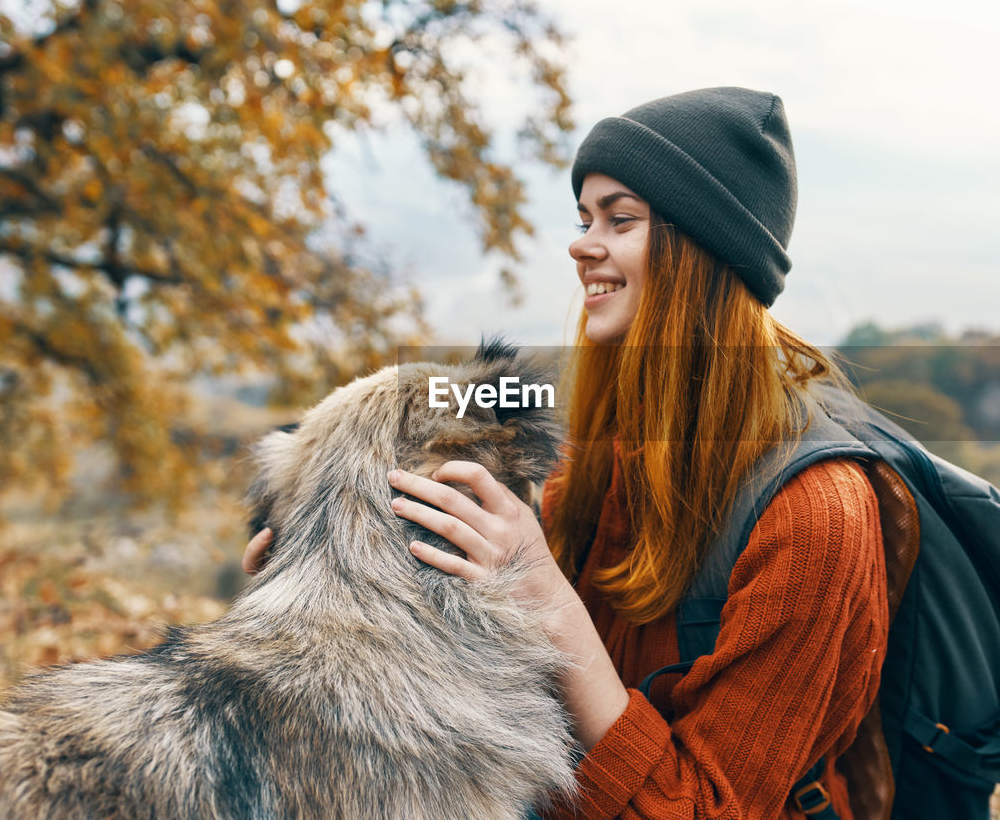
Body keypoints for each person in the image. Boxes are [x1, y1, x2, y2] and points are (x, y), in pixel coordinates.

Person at [245, 87, 888, 820]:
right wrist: (340, 569)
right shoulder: (605, 455)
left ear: (703, 251)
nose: (582, 244)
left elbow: (707, 808)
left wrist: (548, 596)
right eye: (585, 220)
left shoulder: (815, 517)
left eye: (620, 219)